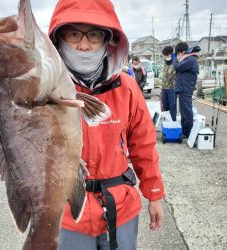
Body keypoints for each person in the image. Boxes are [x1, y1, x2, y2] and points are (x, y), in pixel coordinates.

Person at [48, 1, 165, 249]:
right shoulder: (46, 89)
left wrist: (154, 194)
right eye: (73, 33)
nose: (84, 44)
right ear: (59, 39)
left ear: (108, 40)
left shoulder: (128, 87)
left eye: (94, 34)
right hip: (68, 213)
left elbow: (143, 144)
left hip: (120, 207)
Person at [172, 42, 200, 137]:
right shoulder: (189, 59)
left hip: (186, 88)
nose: (179, 56)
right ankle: (184, 130)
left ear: (183, 51)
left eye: (179, 53)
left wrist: (174, 58)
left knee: (186, 109)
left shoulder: (190, 59)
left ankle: (188, 132)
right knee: (183, 109)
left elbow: (177, 67)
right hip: (183, 87)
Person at [160, 46, 177, 121]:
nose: (166, 56)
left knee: (172, 107)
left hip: (172, 88)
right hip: (164, 88)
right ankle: (167, 122)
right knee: (165, 106)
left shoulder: (175, 61)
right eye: (165, 55)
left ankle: (173, 122)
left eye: (167, 54)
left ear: (170, 53)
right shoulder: (163, 61)